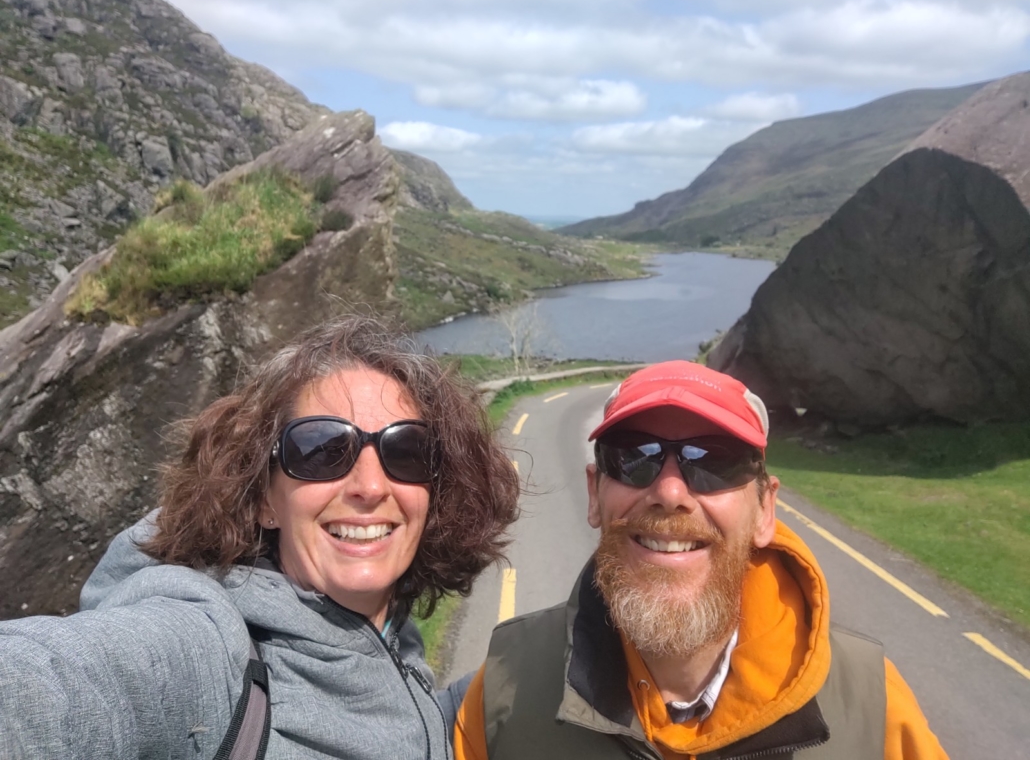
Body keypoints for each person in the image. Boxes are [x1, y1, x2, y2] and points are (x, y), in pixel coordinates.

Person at [0, 314, 520, 760]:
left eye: (406, 452)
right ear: (265, 499)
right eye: (321, 449)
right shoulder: (208, 654)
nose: (370, 486)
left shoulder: (393, 640)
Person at [454, 360, 948, 760]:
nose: (670, 492)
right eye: (634, 456)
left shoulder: (870, 703)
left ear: (764, 510)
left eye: (714, 461)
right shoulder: (504, 687)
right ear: (595, 493)